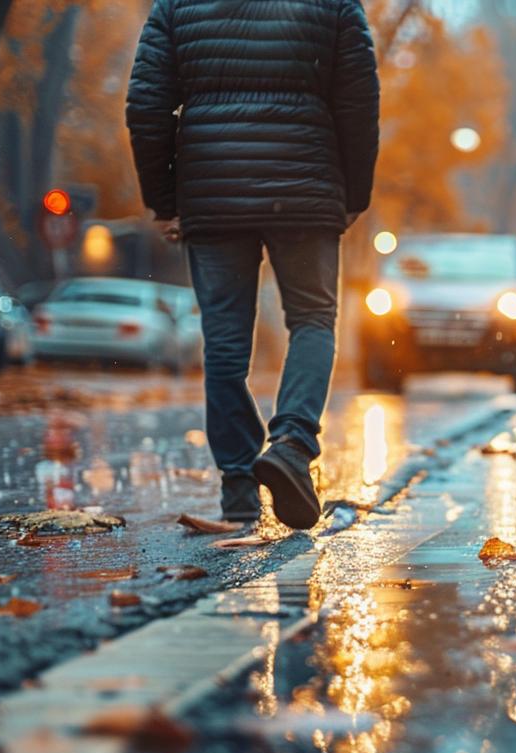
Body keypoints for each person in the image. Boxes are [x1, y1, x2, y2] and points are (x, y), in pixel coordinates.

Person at [126, 0, 379, 529]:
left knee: (223, 344)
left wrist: (166, 200)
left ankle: (239, 488)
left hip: (212, 190)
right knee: (312, 320)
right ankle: (291, 442)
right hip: (305, 186)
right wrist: (353, 193)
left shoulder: (177, 6)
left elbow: (147, 106)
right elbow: (358, 102)